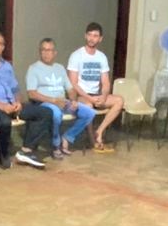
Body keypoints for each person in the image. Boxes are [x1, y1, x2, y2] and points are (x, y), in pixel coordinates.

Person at [0, 31, 50, 170]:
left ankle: (26, 150)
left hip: (11, 105)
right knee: (4, 122)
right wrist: (1, 105)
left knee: (45, 113)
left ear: (3, 48)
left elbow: (15, 89)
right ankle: (2, 156)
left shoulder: (7, 66)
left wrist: (17, 102)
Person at [27, 38, 96, 159]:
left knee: (89, 113)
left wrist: (74, 100)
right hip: (46, 104)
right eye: (44, 50)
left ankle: (67, 137)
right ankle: (56, 145)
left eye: (50, 50)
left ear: (55, 53)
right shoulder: (33, 69)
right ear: (39, 52)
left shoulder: (60, 68)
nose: (47, 53)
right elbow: (32, 93)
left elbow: (70, 89)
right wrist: (53, 101)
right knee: (55, 114)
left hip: (63, 102)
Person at [66, 22, 124, 152]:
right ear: (85, 36)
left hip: (96, 95)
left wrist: (103, 96)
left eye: (95, 36)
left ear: (100, 39)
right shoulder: (76, 55)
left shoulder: (101, 57)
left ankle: (100, 131)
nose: (92, 38)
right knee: (88, 106)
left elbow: (106, 81)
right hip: (80, 95)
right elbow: (73, 83)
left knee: (119, 100)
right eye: (90, 35)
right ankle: (94, 140)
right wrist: (89, 99)